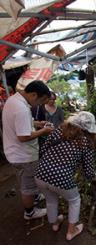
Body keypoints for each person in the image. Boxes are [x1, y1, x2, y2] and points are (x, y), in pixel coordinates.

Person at [35, 111, 96, 240]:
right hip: (62, 179)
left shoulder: (58, 131)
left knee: (51, 200)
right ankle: (71, 231)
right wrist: (94, 177)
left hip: (41, 174)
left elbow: (42, 150)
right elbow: (88, 171)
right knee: (74, 201)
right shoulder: (86, 143)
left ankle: (54, 224)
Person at [2, 80, 54, 220]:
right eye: (41, 101)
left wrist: (37, 123)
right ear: (33, 95)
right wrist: (43, 131)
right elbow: (23, 137)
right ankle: (30, 212)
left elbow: (21, 123)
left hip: (15, 152)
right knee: (27, 185)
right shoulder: (22, 109)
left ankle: (35, 196)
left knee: (30, 179)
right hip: (23, 155)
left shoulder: (14, 100)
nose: (41, 105)